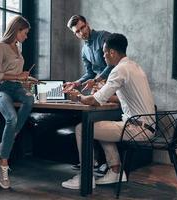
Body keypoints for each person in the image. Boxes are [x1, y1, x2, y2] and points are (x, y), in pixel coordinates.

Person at [62, 33, 155, 189]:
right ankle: (115, 171)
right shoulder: (134, 66)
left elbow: (95, 100)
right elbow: (122, 98)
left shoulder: (119, 69)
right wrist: (100, 94)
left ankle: (86, 177)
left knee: (82, 128)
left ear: (112, 52)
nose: (104, 57)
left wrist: (77, 96)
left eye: (104, 53)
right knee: (99, 125)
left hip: (136, 128)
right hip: (146, 126)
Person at [63, 14, 112, 173]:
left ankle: (106, 163)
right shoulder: (84, 50)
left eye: (83, 27)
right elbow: (89, 73)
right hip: (97, 85)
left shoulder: (104, 36)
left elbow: (113, 63)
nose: (82, 32)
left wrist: (98, 80)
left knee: (99, 119)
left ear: (87, 24)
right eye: (78, 31)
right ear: (75, 34)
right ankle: (92, 161)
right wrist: (76, 83)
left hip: (113, 83)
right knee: (88, 118)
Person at [0, 15, 35, 189]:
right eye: (25, 33)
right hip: (1, 89)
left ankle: (9, 139)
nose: (26, 36)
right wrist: (18, 76)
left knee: (30, 99)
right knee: (12, 118)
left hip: (17, 88)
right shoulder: (0, 46)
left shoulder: (18, 48)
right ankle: (3, 163)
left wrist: (27, 78)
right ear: (17, 30)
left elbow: (17, 76)